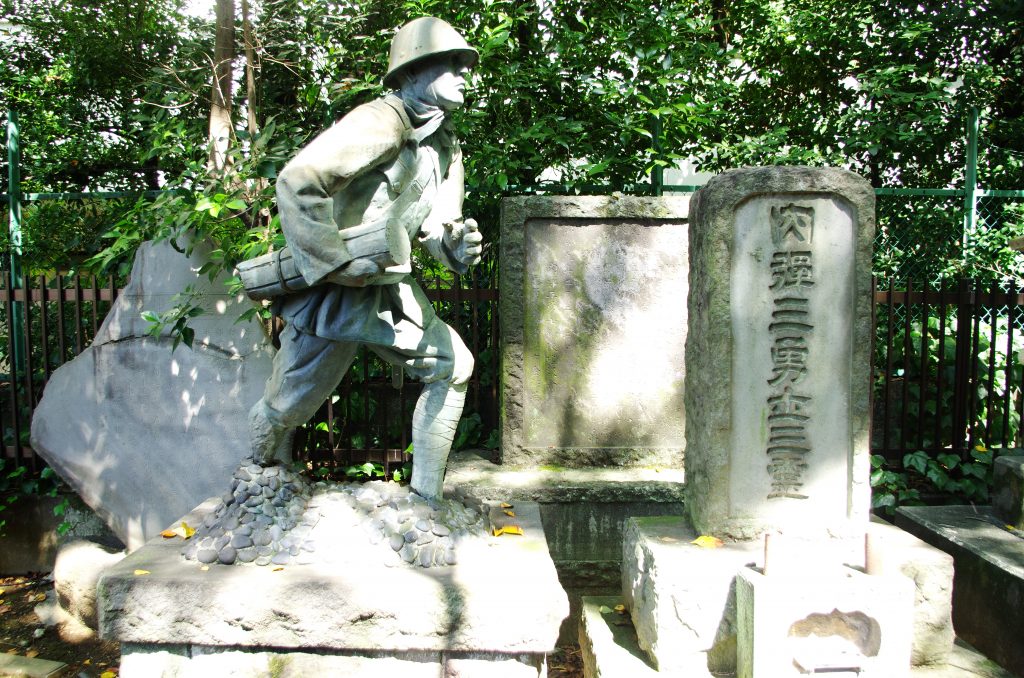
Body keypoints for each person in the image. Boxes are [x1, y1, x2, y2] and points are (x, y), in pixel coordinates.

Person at [247, 17, 483, 501]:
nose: (465, 73)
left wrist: (456, 246)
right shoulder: (381, 121)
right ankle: (255, 478)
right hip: (335, 290)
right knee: (288, 405)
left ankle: (426, 502)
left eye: (466, 65)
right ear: (413, 70)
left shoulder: (445, 145)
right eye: (451, 63)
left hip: (389, 286)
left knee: (453, 366)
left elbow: (439, 226)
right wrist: (335, 263)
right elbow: (298, 181)